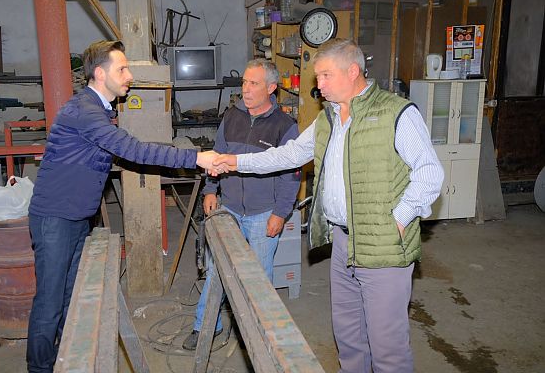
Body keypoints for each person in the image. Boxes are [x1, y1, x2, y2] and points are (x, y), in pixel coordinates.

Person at [211, 39, 444, 373]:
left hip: (384, 246)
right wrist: (235, 162)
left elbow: (430, 173)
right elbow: (290, 154)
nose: (318, 85)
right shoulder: (329, 119)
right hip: (343, 243)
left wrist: (400, 218)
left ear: (352, 72)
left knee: (387, 348)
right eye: (317, 76)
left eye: (325, 75)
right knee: (348, 338)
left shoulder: (395, 113)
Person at [26, 40, 217, 372]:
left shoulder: (99, 109)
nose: (129, 76)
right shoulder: (85, 112)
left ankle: (66, 359)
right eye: (122, 69)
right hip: (55, 219)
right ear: (100, 74)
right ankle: (40, 368)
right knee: (50, 302)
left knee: (70, 296)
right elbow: (134, 150)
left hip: (75, 217)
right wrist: (196, 158)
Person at [182, 59, 300, 351]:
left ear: (271, 88)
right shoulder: (232, 116)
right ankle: (206, 326)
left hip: (263, 214)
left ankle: (259, 335)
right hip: (229, 209)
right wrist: (211, 190)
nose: (245, 89)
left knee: (258, 278)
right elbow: (216, 156)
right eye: (245, 82)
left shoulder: (285, 126)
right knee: (217, 270)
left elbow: (291, 175)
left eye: (253, 83)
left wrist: (280, 213)